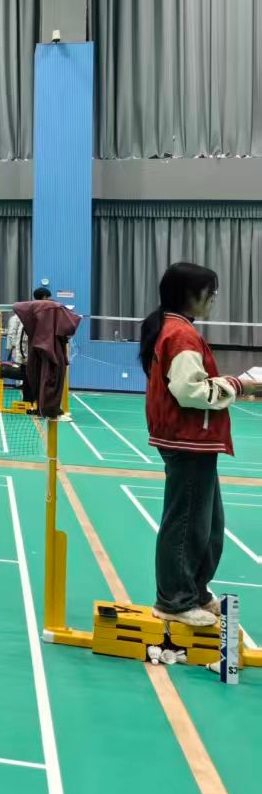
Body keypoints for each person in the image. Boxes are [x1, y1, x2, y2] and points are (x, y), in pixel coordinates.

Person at [139, 263, 261, 628]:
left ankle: (194, 589)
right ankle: (174, 601)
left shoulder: (178, 329)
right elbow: (189, 391)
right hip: (186, 441)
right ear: (190, 295)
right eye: (211, 292)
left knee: (208, 523)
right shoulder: (180, 335)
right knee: (187, 523)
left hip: (196, 441)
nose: (214, 299)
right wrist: (240, 384)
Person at [14, 287, 80, 418]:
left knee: (38, 379)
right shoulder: (54, 308)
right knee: (52, 379)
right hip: (49, 351)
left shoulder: (30, 309)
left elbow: (16, 306)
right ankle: (49, 410)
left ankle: (41, 409)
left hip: (34, 351)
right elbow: (71, 327)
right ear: (45, 297)